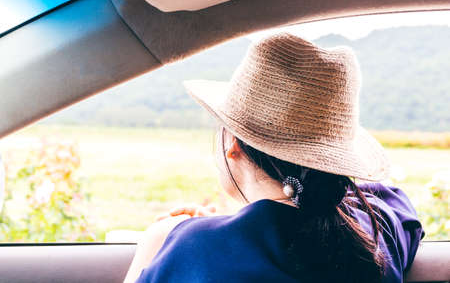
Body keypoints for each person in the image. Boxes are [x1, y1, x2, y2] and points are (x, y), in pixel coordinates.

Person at [124, 33, 424, 283]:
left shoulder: (192, 249)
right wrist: (231, 224)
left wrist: (155, 240)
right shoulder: (377, 230)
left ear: (233, 143)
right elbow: (394, 202)